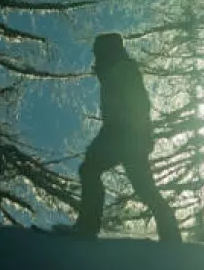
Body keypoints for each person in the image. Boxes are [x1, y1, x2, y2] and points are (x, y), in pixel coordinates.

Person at [73, 33, 181, 243]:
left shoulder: (123, 70)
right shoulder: (112, 71)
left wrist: (141, 135)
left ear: (108, 51)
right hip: (118, 134)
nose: (96, 56)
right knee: (94, 171)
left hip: (127, 136)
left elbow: (141, 105)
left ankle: (88, 226)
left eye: (99, 51)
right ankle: (171, 235)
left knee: (140, 187)